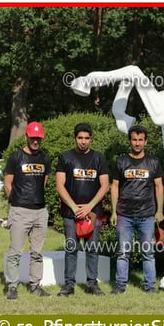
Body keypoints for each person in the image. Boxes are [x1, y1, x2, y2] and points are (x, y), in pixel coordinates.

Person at [56, 123, 109, 297]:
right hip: (70, 212)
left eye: (87, 138)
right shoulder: (65, 157)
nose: (83, 141)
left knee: (92, 248)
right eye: (80, 138)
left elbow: (105, 185)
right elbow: (59, 185)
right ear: (75, 138)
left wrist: (89, 207)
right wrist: (74, 207)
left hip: (93, 212)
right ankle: (68, 286)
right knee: (71, 248)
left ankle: (92, 284)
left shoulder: (99, 158)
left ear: (91, 139)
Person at [110, 125, 164, 294]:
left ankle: (149, 286)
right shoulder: (121, 162)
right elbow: (114, 186)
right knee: (123, 252)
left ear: (146, 141)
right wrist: (113, 211)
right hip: (124, 215)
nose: (137, 143)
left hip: (147, 215)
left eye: (141, 140)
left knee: (148, 253)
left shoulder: (153, 162)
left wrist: (159, 211)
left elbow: (159, 187)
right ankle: (120, 285)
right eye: (134, 139)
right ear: (129, 141)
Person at [3, 122, 51, 300]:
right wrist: (16, 202)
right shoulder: (16, 157)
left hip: (40, 211)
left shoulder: (45, 158)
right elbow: (8, 183)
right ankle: (12, 287)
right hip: (20, 211)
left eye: (38, 138)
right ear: (26, 137)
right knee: (15, 252)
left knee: (37, 253)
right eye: (33, 138)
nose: (36, 141)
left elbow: (43, 183)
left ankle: (35, 286)